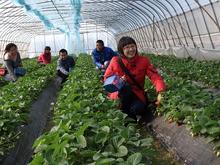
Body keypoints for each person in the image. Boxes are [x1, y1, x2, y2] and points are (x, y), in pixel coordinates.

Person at [104, 36, 166, 123]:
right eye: (127, 47)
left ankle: (133, 119)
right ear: (121, 50)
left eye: (132, 46)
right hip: (120, 94)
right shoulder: (116, 61)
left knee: (138, 109)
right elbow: (107, 79)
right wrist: (118, 81)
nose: (131, 49)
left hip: (137, 93)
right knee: (125, 87)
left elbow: (155, 76)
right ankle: (128, 120)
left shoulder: (143, 61)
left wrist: (161, 91)